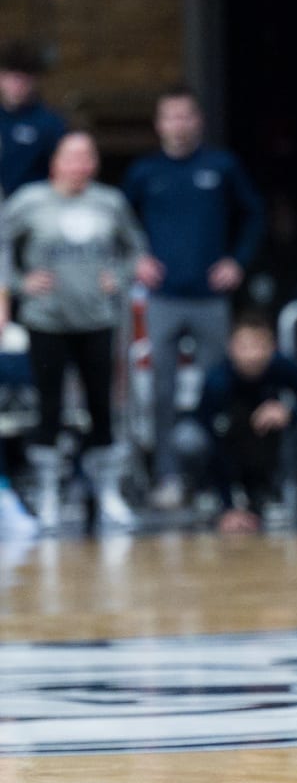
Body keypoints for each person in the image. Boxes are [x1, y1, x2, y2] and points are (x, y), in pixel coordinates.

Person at [123, 89, 266, 510]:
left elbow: (253, 213)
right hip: (163, 297)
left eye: (186, 116)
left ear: (197, 121)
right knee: (160, 394)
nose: (179, 125)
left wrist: (237, 262)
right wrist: (136, 258)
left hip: (210, 298)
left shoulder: (220, 165)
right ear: (159, 123)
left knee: (217, 390)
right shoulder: (145, 171)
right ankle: (168, 477)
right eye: (171, 117)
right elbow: (121, 219)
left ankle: (215, 481)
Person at [1, 131, 150, 533]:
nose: (78, 166)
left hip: (97, 319)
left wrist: (117, 277)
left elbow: (135, 247)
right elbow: (2, 243)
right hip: (46, 319)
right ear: (55, 163)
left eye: (87, 158)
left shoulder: (109, 202)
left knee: (102, 408)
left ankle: (107, 494)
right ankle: (48, 496)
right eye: (71, 158)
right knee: (49, 409)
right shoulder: (30, 201)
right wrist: (18, 282)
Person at [170, 312, 297, 532]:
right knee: (187, 438)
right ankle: (209, 494)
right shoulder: (218, 380)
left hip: (268, 452)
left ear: (272, 347)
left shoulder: (283, 368)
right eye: (245, 346)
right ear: (231, 348)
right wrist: (228, 506)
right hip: (226, 453)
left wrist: (289, 412)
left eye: (259, 346)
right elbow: (211, 438)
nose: (252, 355)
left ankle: (271, 493)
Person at [0, 42, 68, 195]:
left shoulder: (49, 123)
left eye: (24, 79)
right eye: (13, 78)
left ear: (33, 81)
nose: (17, 85)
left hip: (34, 203)